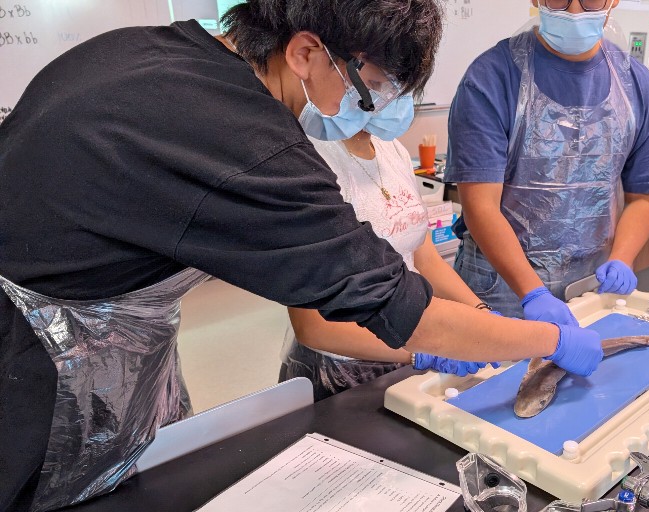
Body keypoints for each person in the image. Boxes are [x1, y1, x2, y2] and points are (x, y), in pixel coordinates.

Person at [0, 1, 603, 510]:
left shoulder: (151, 52)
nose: (377, 107)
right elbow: (395, 306)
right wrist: (547, 342)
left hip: (111, 340)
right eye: (373, 86)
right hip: (41, 370)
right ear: (306, 52)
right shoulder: (248, 142)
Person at [445, 0, 649, 323]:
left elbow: (647, 197)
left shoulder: (638, 86)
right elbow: (480, 206)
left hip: (590, 281)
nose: (574, 10)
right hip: (500, 284)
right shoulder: (491, 78)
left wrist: (622, 260)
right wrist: (533, 291)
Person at [281, 97, 502, 401]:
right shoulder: (308, 158)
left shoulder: (393, 150)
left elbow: (423, 255)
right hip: (340, 368)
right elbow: (313, 327)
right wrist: (419, 349)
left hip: (405, 344)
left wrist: (482, 315)